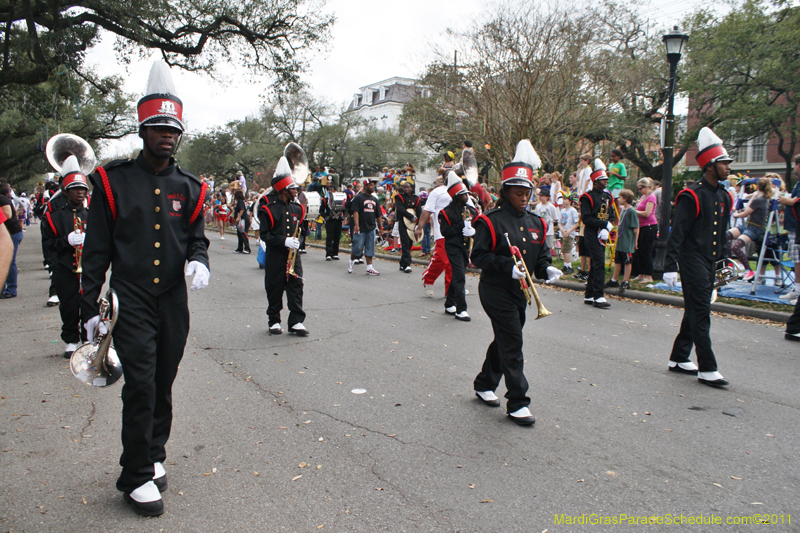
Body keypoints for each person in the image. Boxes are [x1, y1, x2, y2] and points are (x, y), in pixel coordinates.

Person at [80, 60, 210, 516]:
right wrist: (89, 309)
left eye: (173, 128)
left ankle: (154, 452)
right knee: (140, 383)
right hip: (130, 296)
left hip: (173, 299)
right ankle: (134, 475)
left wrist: (199, 259)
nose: (167, 135)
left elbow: (196, 237)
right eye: (158, 127)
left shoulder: (191, 187)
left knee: (164, 379)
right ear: (143, 131)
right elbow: (95, 252)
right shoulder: (112, 183)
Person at [471, 140, 562, 426]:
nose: (524, 198)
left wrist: (546, 269)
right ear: (506, 192)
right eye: (518, 193)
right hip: (495, 289)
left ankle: (485, 383)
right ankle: (518, 402)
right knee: (513, 340)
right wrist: (506, 266)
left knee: (506, 339)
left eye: (527, 193)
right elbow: (479, 256)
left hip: (519, 293)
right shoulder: (490, 221)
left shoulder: (538, 222)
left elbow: (541, 255)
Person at [663, 127, 733, 387]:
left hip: (710, 260)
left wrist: (722, 267)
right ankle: (707, 367)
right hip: (691, 259)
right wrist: (670, 266)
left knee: (696, 308)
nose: (728, 167)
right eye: (723, 163)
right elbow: (677, 234)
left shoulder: (724, 195)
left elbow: (722, 234)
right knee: (701, 311)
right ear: (709, 166)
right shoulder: (691, 195)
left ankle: (679, 357)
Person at [41, 158, 89, 357]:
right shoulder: (53, 216)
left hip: (88, 267)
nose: (80, 192)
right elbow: (49, 246)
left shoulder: (93, 214)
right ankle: (70, 339)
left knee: (89, 303)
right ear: (66, 191)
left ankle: (88, 337)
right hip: (65, 266)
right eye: (75, 188)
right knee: (69, 305)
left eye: (83, 189)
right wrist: (66, 240)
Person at [259, 150, 309, 336]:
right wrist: (284, 241)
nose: (296, 191)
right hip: (276, 256)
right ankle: (274, 320)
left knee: (296, 287)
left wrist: (298, 241)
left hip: (293, 258)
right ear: (283, 190)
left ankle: (296, 321)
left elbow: (302, 232)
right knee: (274, 287)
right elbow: (265, 235)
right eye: (293, 188)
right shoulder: (268, 209)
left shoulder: (298, 208)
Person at [438, 172, 477, 321]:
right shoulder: (446, 212)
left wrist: (473, 230)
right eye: (463, 194)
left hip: (465, 247)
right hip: (453, 246)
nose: (467, 196)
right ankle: (461, 309)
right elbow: (445, 232)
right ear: (456, 196)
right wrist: (461, 225)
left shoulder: (471, 210)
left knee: (458, 274)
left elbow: (478, 223)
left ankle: (449, 303)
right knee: (460, 276)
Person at [580, 159, 615, 308]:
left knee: (596, 263)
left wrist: (607, 228)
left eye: (606, 179)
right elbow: (586, 219)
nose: (606, 182)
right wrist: (603, 225)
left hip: (603, 233)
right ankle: (599, 295)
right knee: (599, 262)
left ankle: (589, 294)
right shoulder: (587, 197)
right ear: (595, 182)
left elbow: (611, 215)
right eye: (603, 180)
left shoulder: (608, 196)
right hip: (591, 232)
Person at [726, 177, 773, 280]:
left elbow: (745, 212)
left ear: (757, 186)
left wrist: (736, 215)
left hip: (754, 228)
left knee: (736, 247)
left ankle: (748, 270)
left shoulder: (759, 200)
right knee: (726, 236)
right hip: (748, 225)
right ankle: (730, 262)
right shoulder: (762, 198)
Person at [416, 173, 452, 297]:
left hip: (457, 231)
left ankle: (451, 290)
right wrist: (419, 227)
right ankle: (428, 279)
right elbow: (427, 210)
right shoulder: (437, 191)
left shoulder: (461, 190)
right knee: (442, 258)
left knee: (453, 262)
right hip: (441, 230)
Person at [605, 189, 639, 293]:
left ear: (625, 198)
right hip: (620, 239)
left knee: (627, 260)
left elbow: (636, 228)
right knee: (618, 260)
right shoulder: (623, 209)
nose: (618, 199)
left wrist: (635, 241)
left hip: (627, 240)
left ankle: (625, 281)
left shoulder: (631, 211)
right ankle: (614, 279)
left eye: (619, 197)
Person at [348, 177, 383, 275]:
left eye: (374, 185)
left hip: (371, 227)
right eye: (371, 185)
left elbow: (378, 215)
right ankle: (351, 262)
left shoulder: (375, 199)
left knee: (370, 247)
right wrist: (356, 225)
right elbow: (355, 212)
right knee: (357, 248)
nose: (373, 187)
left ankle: (369, 267)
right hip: (361, 227)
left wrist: (381, 227)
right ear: (366, 186)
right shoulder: (359, 198)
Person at [778, 155, 800, 305]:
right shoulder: (798, 183)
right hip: (794, 227)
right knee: (796, 259)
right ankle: (797, 289)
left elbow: (796, 201)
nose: (794, 168)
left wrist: (787, 201)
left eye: (795, 165)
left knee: (798, 259)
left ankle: (798, 291)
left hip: (797, 227)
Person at [631, 178, 658, 283]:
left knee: (646, 250)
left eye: (641, 188)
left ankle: (649, 275)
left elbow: (647, 213)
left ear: (647, 187)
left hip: (649, 226)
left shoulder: (651, 197)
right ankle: (641, 273)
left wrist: (634, 211)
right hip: (641, 225)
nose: (640, 190)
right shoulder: (643, 196)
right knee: (640, 250)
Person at [0, 184, 23, 299]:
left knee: (9, 261)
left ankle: (11, 289)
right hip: (11, 232)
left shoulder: (1, 199)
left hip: (12, 233)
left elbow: (8, 215)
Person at [394, 180, 421, 273]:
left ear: (411, 188)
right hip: (402, 223)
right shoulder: (399, 197)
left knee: (409, 243)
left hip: (412, 224)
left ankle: (402, 263)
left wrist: (419, 224)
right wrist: (411, 216)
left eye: (408, 187)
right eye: (405, 187)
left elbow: (419, 211)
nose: (406, 189)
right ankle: (407, 264)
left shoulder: (416, 198)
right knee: (405, 242)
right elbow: (400, 209)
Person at [320, 183, 344, 260]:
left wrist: (343, 216)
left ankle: (335, 253)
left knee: (337, 237)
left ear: (335, 191)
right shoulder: (325, 200)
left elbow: (345, 208)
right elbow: (321, 210)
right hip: (330, 220)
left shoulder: (340, 200)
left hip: (338, 220)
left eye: (332, 190)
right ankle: (328, 254)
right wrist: (325, 217)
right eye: (329, 190)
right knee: (330, 236)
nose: (330, 191)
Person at [559, 193, 579, 274]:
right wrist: (562, 230)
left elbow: (577, 223)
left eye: (565, 199)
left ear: (570, 201)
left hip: (569, 233)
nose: (563, 201)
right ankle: (565, 264)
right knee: (563, 250)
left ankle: (569, 266)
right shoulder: (562, 210)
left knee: (566, 250)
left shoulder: (573, 210)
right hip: (563, 233)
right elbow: (559, 222)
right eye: (563, 199)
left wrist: (570, 231)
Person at [231, 189, 251, 254]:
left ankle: (247, 248)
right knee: (239, 234)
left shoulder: (240, 202)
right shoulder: (240, 202)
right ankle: (240, 248)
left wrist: (238, 217)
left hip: (243, 219)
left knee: (243, 234)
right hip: (241, 220)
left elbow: (242, 210)